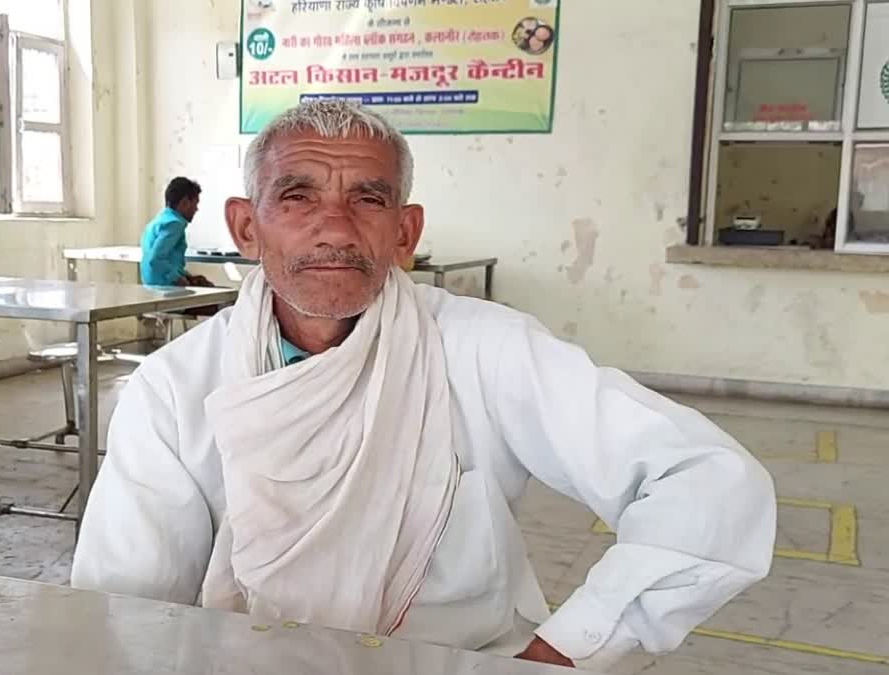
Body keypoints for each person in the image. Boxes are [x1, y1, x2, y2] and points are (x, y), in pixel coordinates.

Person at [71, 100, 775, 670]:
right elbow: (125, 610)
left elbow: (710, 481)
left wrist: (568, 648)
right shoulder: (174, 388)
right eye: (298, 195)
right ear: (246, 227)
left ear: (404, 232)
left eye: (368, 199)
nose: (335, 228)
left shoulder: (485, 348)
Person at [140, 177, 213, 287]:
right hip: (165, 286)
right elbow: (155, 259)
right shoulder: (174, 224)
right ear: (185, 202)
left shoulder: (158, 221)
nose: (196, 209)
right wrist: (177, 278)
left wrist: (186, 275)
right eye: (195, 203)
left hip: (150, 283)